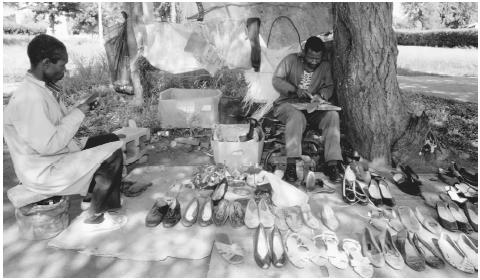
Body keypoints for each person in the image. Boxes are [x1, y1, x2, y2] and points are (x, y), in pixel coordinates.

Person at [3, 34, 126, 230]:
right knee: (112, 154)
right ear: (45, 63)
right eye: (62, 65)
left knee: (110, 139)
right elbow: (50, 145)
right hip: (44, 171)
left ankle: (91, 197)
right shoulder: (29, 99)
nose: (65, 70)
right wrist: (80, 111)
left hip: (53, 155)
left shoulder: (42, 90)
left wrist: (81, 107)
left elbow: (56, 124)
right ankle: (96, 218)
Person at [272, 36, 342, 183]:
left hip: (311, 108)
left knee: (332, 116)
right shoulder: (291, 60)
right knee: (297, 117)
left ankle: (332, 165)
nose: (313, 62)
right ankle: (291, 165)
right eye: (310, 57)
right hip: (287, 104)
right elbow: (277, 80)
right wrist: (293, 90)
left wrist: (321, 96)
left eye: (317, 59)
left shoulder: (325, 66)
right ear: (304, 52)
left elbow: (329, 87)